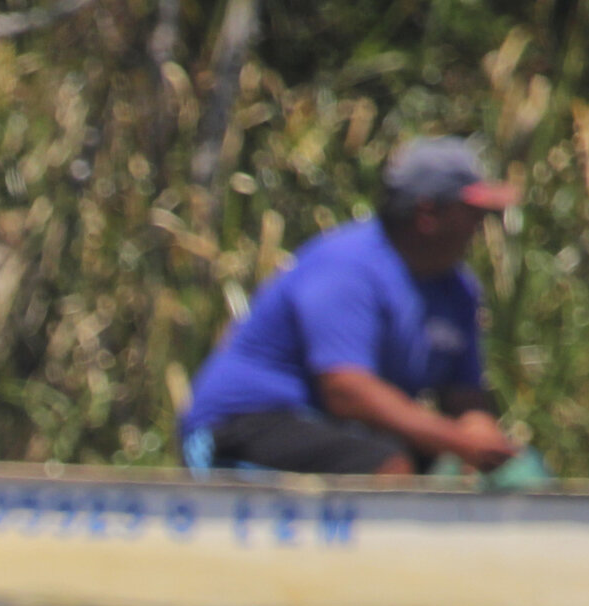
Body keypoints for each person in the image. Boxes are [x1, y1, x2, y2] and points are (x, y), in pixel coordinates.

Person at [181, 137, 520, 476]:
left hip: (336, 428)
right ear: (428, 213)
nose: (481, 227)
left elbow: (463, 394)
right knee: (387, 465)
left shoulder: (457, 288)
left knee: (510, 476)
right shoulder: (347, 268)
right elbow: (345, 391)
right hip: (245, 421)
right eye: (473, 213)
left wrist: (480, 434)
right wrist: (456, 442)